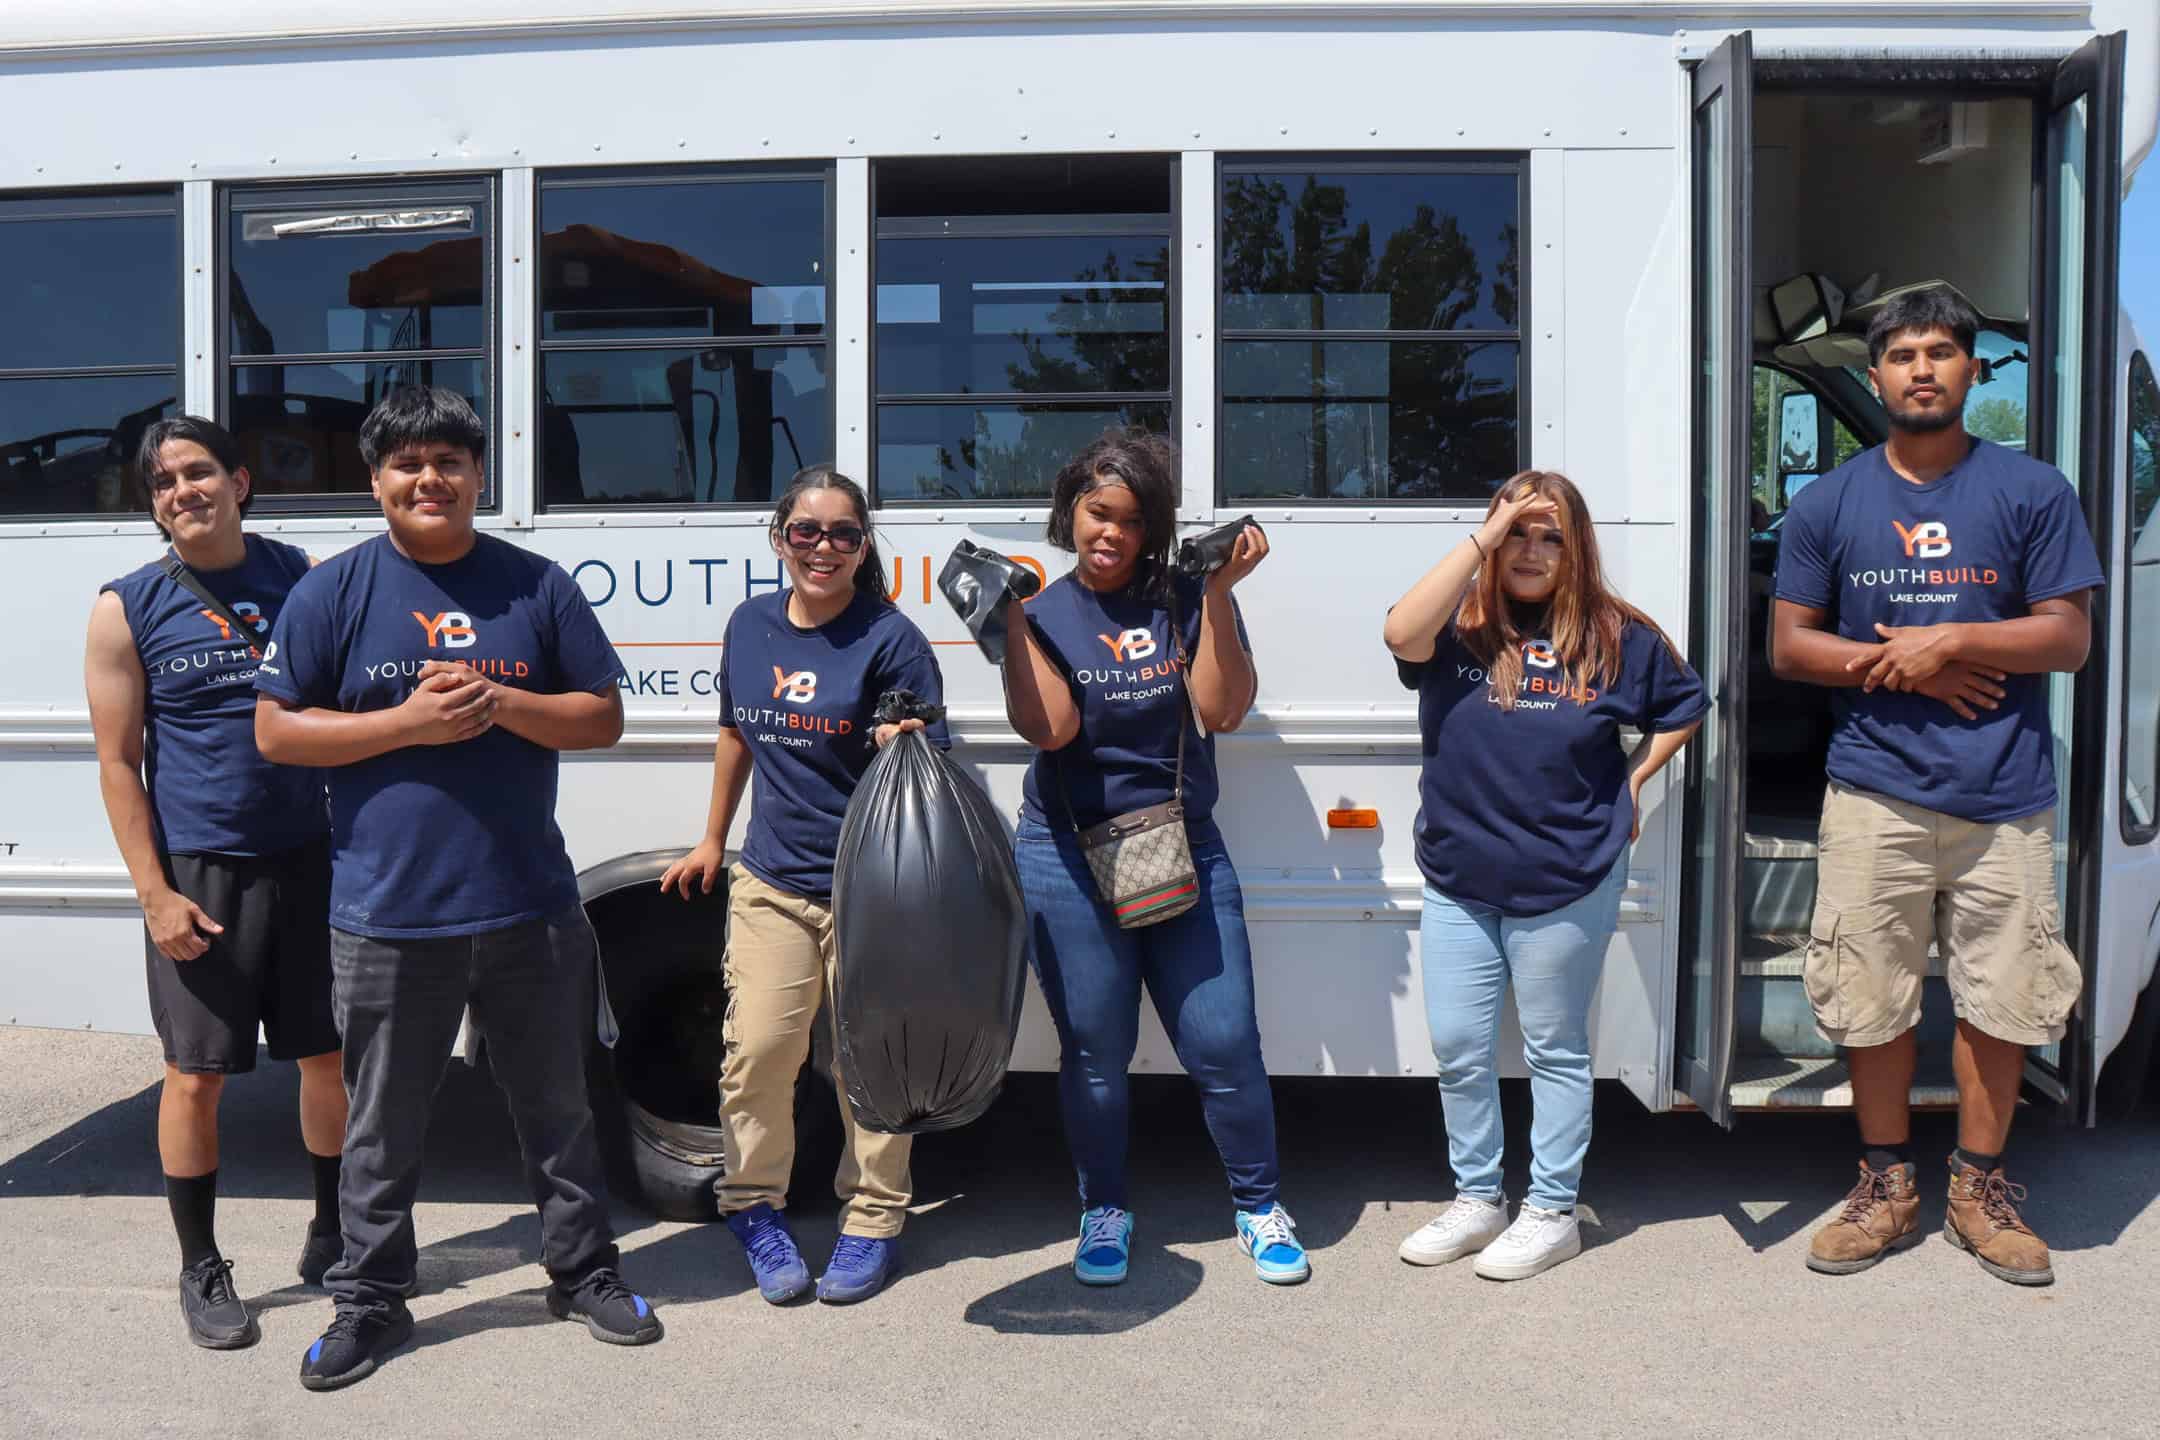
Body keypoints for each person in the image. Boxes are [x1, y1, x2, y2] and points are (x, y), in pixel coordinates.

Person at [253, 387, 661, 1390]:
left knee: (557, 1107)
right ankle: (371, 1299)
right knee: (382, 1127)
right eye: (405, 464)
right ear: (377, 477)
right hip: (388, 914)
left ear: (480, 473)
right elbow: (276, 731)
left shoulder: (536, 585)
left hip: (530, 906)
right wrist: (408, 724)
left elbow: (601, 718)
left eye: (447, 461)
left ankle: (582, 1270)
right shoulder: (334, 591)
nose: (427, 480)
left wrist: (502, 700)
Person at [1772, 286, 2101, 1286]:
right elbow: (1790, 648)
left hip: (2006, 799)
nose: (1921, 368)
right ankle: (1884, 1186)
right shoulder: (1828, 502)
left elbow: (2069, 637)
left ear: (1970, 371)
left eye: (1941, 352)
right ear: (1874, 377)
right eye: (1903, 354)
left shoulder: (2033, 490)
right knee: (1870, 999)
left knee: (2002, 1002)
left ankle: (1979, 1189)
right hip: (1874, 794)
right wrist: (1913, 664)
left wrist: (1953, 637)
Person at [999, 429, 1308, 1287]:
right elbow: (1050, 730)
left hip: (1183, 846)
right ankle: (1104, 1207)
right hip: (1067, 852)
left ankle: (1258, 1205)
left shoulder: (1185, 595)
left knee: (1224, 1042)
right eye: (1098, 513)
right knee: (1094, 1050)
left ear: (1153, 529)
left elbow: (1224, 709)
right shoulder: (1042, 610)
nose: (1111, 534)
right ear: (1071, 512)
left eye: (1132, 521)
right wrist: (1009, 620)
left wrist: (1217, 593)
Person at [1383, 471, 1705, 1280]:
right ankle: (1478, 1198)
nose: (1530, 550)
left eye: (1550, 535)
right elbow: (1396, 632)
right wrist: (1482, 541)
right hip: (1460, 876)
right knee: (1458, 1046)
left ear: (1578, 548)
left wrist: (1635, 778)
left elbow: (1686, 706)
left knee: (1555, 1048)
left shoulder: (1616, 636)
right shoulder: (1460, 627)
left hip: (1569, 874)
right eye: (1515, 531)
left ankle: (1553, 1211)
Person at [84, 417, 345, 1350]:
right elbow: (118, 763)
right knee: (195, 1078)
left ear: (240, 480)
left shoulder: (302, 575)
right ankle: (202, 1266)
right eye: (163, 482)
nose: (181, 491)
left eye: (198, 472)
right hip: (201, 872)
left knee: (327, 1058)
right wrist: (154, 893)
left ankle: (333, 1230)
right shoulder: (126, 606)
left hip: (312, 859)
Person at [659, 465, 947, 1307]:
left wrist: (908, 737)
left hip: (874, 892)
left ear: (864, 546)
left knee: (872, 1069)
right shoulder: (749, 626)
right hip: (773, 880)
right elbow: (733, 733)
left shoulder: (893, 638)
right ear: (780, 536)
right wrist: (713, 836)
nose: (824, 547)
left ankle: (873, 1220)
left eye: (844, 534)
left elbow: (931, 759)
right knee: (757, 1052)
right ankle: (753, 1206)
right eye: (807, 531)